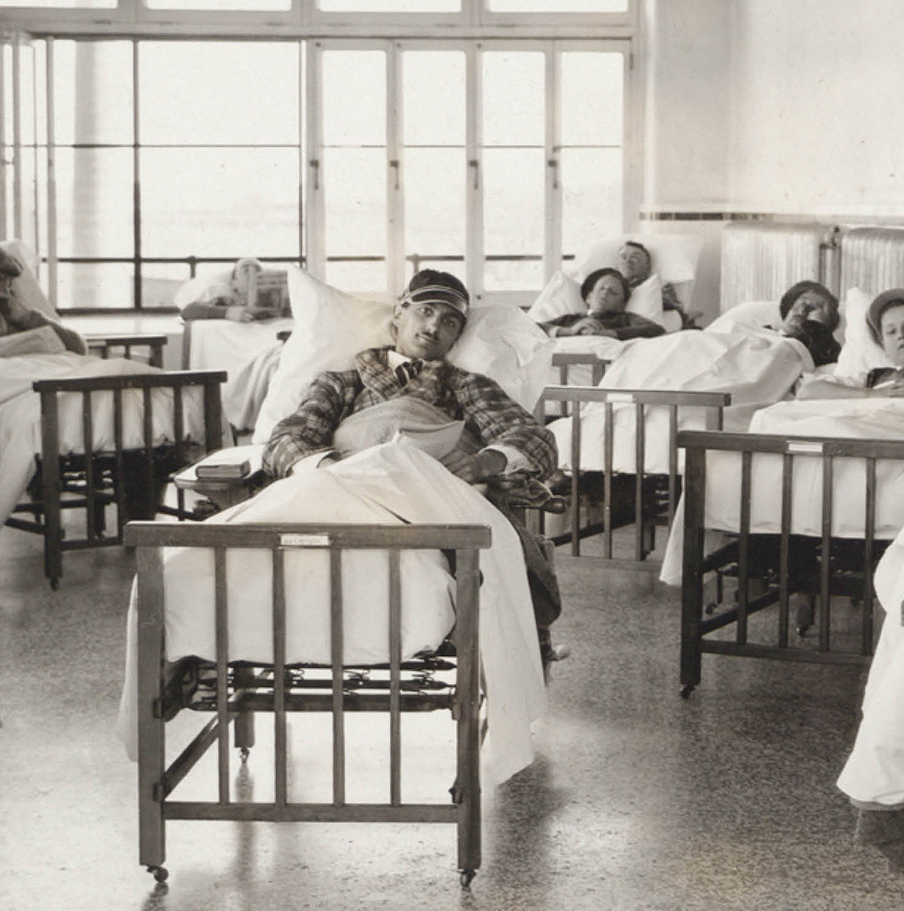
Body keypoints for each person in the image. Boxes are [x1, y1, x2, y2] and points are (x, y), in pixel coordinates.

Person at [263, 268, 568, 663]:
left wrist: (483, 462)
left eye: (450, 321)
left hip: (432, 504)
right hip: (345, 496)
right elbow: (286, 440)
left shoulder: (467, 386)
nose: (434, 326)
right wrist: (332, 469)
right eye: (425, 311)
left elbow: (535, 438)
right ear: (398, 314)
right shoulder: (341, 383)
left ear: (456, 337)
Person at [541, 268, 668, 341]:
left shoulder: (625, 318)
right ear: (588, 298)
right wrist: (568, 331)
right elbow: (533, 328)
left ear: (621, 304)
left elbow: (655, 329)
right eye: (601, 289)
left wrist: (610, 333)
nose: (605, 293)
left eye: (613, 292)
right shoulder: (570, 319)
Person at [614, 240, 697, 329]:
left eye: (635, 258)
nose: (628, 261)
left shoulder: (659, 288)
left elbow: (678, 315)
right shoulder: (606, 286)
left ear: (647, 266)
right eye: (623, 257)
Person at [178, 258, 276, 322]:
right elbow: (188, 311)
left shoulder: (270, 296)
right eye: (246, 270)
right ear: (234, 282)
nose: (252, 273)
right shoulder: (222, 293)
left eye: (257, 271)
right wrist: (227, 312)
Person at [774, 279, 842, 366]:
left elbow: (829, 357)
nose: (802, 311)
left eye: (813, 308)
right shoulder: (763, 331)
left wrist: (817, 326)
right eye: (802, 302)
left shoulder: (819, 348)